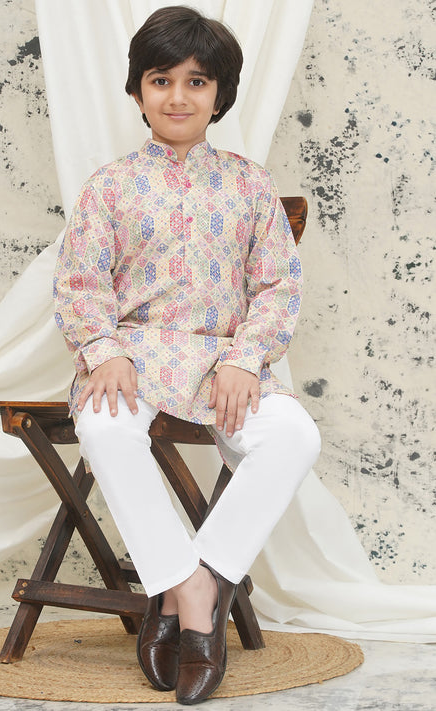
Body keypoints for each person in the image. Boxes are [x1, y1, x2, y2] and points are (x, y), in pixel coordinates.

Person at [53, 5, 320, 704]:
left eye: (196, 81)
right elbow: (79, 283)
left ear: (219, 93)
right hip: (131, 360)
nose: (178, 96)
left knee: (295, 435)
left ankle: (191, 581)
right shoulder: (109, 186)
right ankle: (193, 597)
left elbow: (277, 285)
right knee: (105, 425)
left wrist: (244, 358)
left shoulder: (250, 184)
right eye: (161, 79)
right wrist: (103, 350)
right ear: (137, 90)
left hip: (223, 366)